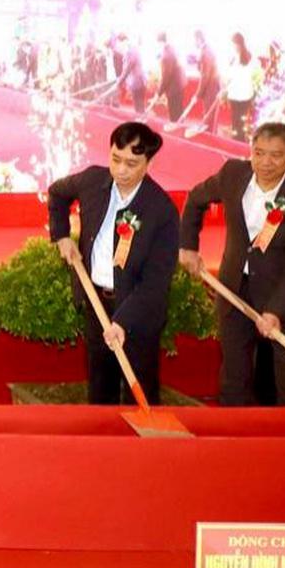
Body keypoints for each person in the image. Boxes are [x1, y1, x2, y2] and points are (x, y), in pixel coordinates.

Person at [179, 123, 285, 405]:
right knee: (234, 377)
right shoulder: (233, 174)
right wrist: (188, 246)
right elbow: (196, 199)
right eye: (259, 153)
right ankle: (236, 430)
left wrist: (275, 310)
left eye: (276, 155)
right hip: (234, 288)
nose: (265, 162)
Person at [47, 122, 179, 405]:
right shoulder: (93, 181)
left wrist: (122, 321)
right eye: (116, 159)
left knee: (139, 391)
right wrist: (61, 236)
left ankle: (143, 433)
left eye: (131, 164)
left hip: (137, 312)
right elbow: (57, 193)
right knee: (100, 389)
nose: (120, 170)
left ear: (149, 163)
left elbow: (156, 283)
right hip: (96, 301)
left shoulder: (161, 210)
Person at [223, 32, 260, 141]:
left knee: (237, 121)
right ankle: (238, 140)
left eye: (233, 44)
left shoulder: (244, 58)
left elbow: (230, 76)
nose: (233, 47)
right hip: (241, 94)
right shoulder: (245, 57)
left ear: (238, 44)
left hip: (239, 94)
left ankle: (238, 141)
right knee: (239, 121)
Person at [194, 30, 221, 130]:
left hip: (210, 89)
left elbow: (205, 76)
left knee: (208, 118)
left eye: (195, 40)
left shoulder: (205, 52)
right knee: (211, 117)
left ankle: (209, 136)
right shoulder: (208, 49)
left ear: (198, 39)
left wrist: (198, 94)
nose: (194, 43)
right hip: (213, 87)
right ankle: (211, 133)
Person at [157, 32, 186, 123]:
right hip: (179, 85)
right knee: (179, 111)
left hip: (173, 88)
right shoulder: (172, 48)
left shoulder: (166, 54)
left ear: (160, 42)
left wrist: (159, 92)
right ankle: (180, 126)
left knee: (174, 114)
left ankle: (175, 127)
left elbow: (166, 76)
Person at [115, 34, 147, 115]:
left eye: (119, 43)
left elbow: (127, 68)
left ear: (124, 41)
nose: (118, 46)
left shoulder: (129, 51)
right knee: (140, 106)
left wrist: (119, 82)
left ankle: (140, 120)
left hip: (136, 82)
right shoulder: (134, 48)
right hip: (141, 81)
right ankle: (142, 119)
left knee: (138, 107)